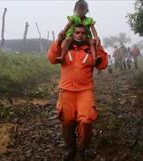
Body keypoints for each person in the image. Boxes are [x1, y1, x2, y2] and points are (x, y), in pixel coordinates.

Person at [47, 24, 108, 161]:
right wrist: (58, 40)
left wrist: (98, 45)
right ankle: (72, 147)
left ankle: (81, 150)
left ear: (87, 35)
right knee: (67, 121)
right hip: (66, 91)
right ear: (72, 34)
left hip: (85, 91)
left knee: (86, 120)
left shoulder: (90, 50)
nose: (80, 35)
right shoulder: (65, 47)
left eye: (83, 33)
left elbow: (103, 65)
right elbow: (51, 58)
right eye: (77, 32)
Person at [56, 0, 100, 64]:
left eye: (82, 10)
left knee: (92, 43)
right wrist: (63, 32)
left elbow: (93, 30)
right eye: (79, 9)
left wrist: (96, 37)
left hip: (86, 36)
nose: (80, 11)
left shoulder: (89, 20)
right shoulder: (74, 18)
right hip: (73, 36)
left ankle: (94, 58)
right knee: (68, 40)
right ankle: (61, 57)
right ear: (75, 10)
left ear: (86, 11)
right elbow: (68, 25)